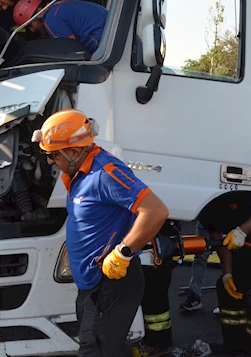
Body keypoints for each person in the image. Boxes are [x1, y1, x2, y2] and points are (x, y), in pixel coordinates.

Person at [32, 109, 169, 357]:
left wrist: (123, 253)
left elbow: (156, 211)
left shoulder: (105, 174)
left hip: (112, 282)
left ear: (74, 151)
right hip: (93, 284)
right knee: (98, 347)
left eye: (52, 155)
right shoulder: (80, 172)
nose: (50, 161)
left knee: (97, 350)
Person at [197, 188, 251, 356]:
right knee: (226, 292)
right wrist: (228, 273)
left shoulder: (233, 191)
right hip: (240, 255)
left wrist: (242, 231)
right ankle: (233, 349)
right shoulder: (203, 209)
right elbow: (218, 240)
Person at [12, 0, 108, 53]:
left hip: (103, 42)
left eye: (30, 25)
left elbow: (72, 51)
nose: (32, 30)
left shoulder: (51, 20)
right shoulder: (58, 6)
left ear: (38, 13)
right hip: (110, 27)